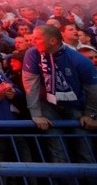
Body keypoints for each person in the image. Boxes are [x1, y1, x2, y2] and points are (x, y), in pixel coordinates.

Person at [22, 24, 97, 166]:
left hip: (76, 109)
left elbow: (93, 90)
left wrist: (91, 115)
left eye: (37, 38)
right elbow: (30, 84)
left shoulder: (79, 60)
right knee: (57, 153)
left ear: (52, 41)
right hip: (49, 108)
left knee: (85, 151)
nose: (33, 41)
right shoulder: (32, 54)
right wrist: (36, 114)